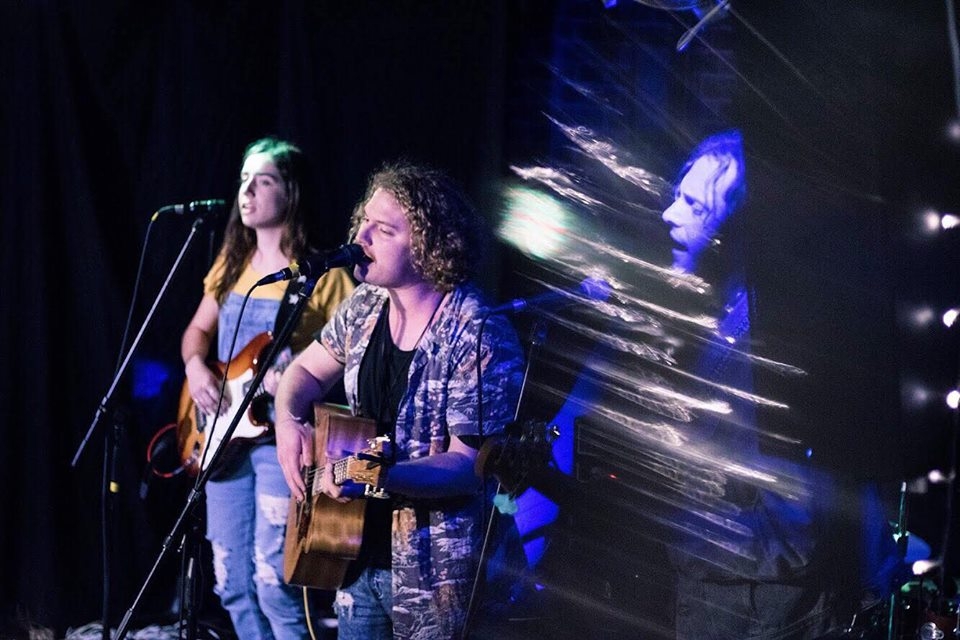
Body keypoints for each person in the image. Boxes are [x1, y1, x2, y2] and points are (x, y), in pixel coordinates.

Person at [274, 160, 526, 640]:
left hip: (437, 573)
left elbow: (467, 466)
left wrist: (375, 476)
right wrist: (288, 421)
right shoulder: (364, 305)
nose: (361, 237)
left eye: (383, 230)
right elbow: (302, 372)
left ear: (430, 248)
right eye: (364, 221)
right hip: (353, 552)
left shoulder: (477, 332)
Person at [659, 130, 897, 639]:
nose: (668, 215)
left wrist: (680, 528)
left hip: (772, 608)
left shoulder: (784, 333)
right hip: (728, 595)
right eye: (676, 197)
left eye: (694, 204)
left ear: (738, 225)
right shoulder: (717, 317)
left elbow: (804, 521)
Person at [180, 135, 355, 639]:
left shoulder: (322, 276)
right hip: (223, 438)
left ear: (291, 191)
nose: (248, 190)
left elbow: (354, 351)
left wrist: (297, 378)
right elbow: (197, 331)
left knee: (274, 584)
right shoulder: (231, 264)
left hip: (281, 440)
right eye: (243, 180)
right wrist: (195, 367)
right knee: (232, 584)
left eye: (264, 180)